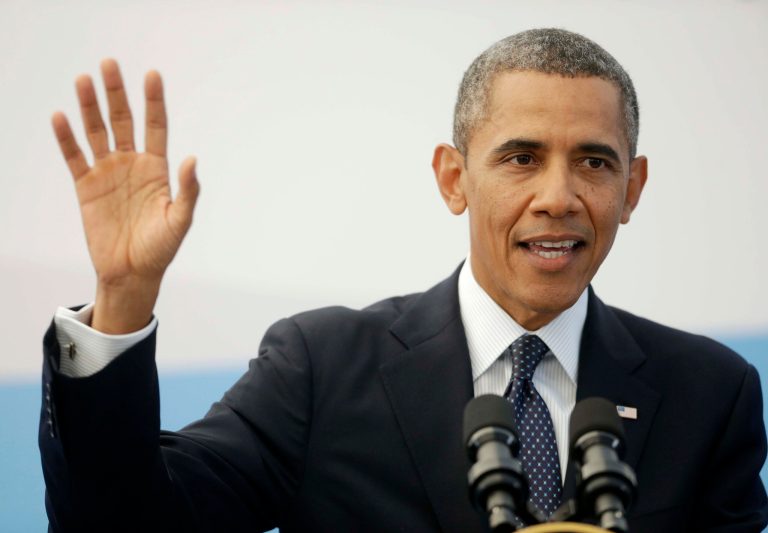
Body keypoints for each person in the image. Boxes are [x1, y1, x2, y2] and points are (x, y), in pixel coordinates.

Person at [39, 28, 768, 532]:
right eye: (520, 158)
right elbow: (128, 520)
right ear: (454, 178)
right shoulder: (321, 368)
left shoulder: (710, 393)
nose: (558, 195)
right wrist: (124, 299)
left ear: (633, 188)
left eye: (594, 162)